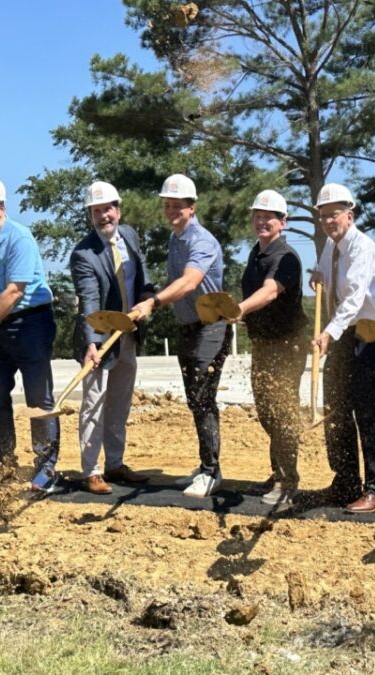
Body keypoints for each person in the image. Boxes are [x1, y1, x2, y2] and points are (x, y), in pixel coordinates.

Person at [0, 175, 60, 492]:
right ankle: (5, 464)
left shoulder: (21, 238)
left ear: (2, 208)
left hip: (31, 322)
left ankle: (46, 469)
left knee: (38, 397)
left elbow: (14, 292)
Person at [310, 183, 375, 514]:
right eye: (323, 216)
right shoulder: (330, 248)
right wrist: (318, 276)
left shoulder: (363, 248)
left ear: (350, 214)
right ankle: (344, 480)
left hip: (373, 334)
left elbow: (354, 298)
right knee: (335, 406)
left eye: (334, 215)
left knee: (367, 410)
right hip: (347, 334)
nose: (329, 221)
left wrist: (328, 332)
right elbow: (328, 279)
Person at [70, 181, 158, 494]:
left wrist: (148, 296)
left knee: (119, 401)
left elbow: (143, 277)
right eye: (96, 212)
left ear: (117, 210)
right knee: (94, 403)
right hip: (101, 339)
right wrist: (92, 341)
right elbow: (90, 299)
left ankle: (115, 464)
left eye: (107, 209)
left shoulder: (131, 236)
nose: (102, 216)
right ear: (91, 216)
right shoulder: (83, 254)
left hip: (129, 334)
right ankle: (91, 470)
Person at [149, 174, 231, 498]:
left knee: (203, 395)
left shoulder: (202, 242)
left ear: (192, 208)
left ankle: (212, 472)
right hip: (188, 326)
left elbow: (188, 282)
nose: (171, 210)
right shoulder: (174, 239)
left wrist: (153, 302)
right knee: (194, 397)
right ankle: (205, 464)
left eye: (178, 206)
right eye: (167, 205)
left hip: (212, 325)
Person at [232, 190, 309, 506]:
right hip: (264, 343)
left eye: (270, 217)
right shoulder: (257, 252)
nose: (263, 221)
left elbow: (269, 292)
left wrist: (239, 310)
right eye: (258, 216)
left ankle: (288, 481)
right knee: (267, 411)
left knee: (282, 411)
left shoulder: (286, 257)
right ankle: (277, 470)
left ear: (283, 222)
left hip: (287, 344)